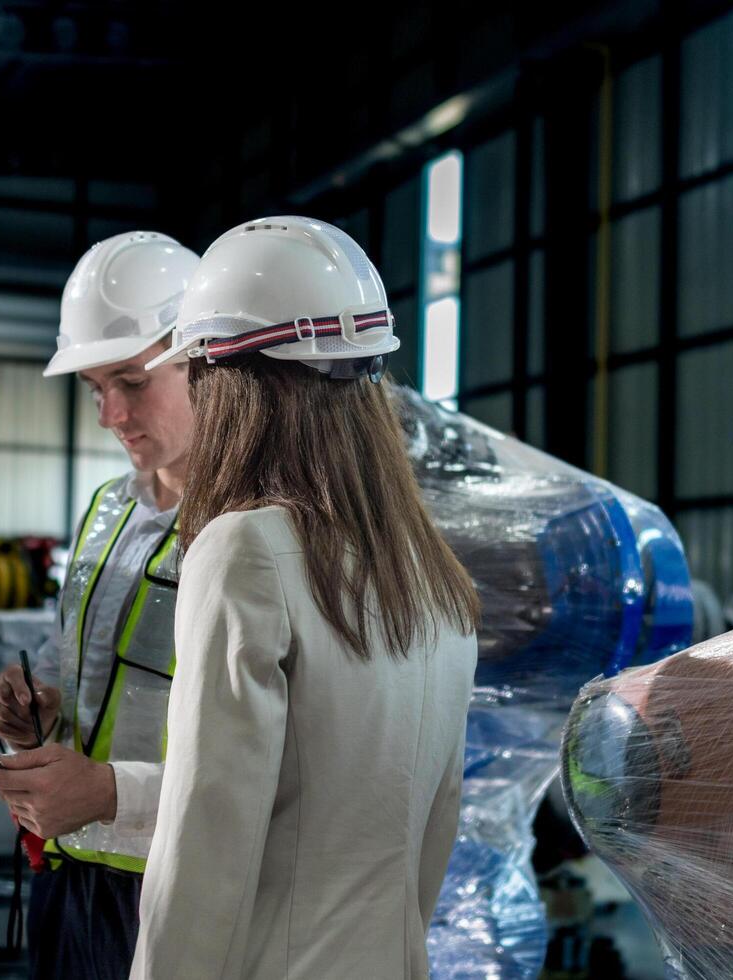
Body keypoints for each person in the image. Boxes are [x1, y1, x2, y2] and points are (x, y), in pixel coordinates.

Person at [131, 216, 481, 979]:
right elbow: (436, 831)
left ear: (224, 379)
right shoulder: (435, 580)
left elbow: (207, 840)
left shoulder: (246, 552)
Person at [0, 231, 199, 979]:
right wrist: (34, 706)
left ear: (205, 361)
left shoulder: (251, 528)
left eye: (131, 381)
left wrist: (110, 792)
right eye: (95, 388)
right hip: (69, 863)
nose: (110, 414)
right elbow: (68, 663)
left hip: (173, 883)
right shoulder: (109, 509)